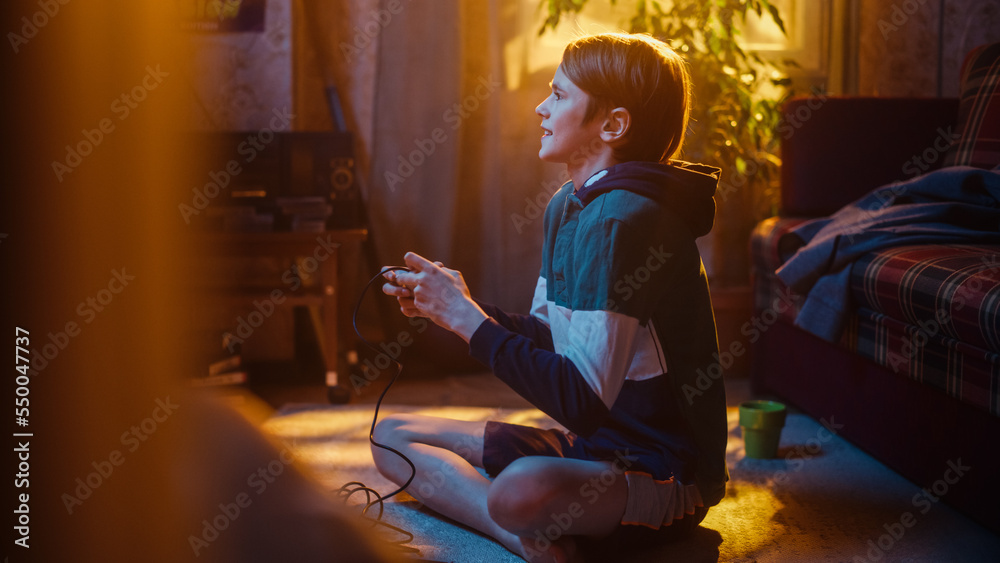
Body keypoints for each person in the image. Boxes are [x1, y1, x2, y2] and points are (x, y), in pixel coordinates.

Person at [374, 32, 728, 562]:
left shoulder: (624, 221)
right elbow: (553, 342)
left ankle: (523, 525)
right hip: (590, 449)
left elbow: (580, 401)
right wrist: (458, 309)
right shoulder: (569, 205)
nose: (541, 107)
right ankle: (523, 541)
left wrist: (469, 322)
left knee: (520, 489)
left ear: (613, 125)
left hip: (659, 472)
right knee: (391, 436)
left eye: (559, 96)